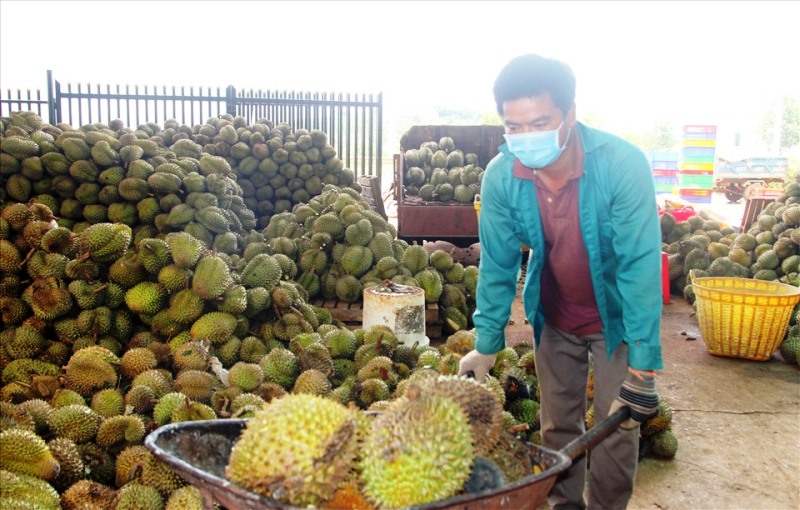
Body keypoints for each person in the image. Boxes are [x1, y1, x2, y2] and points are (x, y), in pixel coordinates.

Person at [458, 53, 663, 510]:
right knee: (557, 430)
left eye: (540, 122)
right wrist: (487, 343)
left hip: (617, 322)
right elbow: (497, 266)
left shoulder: (621, 166)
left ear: (570, 115)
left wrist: (644, 367)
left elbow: (640, 267)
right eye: (514, 127)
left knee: (615, 431)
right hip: (554, 316)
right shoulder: (501, 177)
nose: (525, 137)